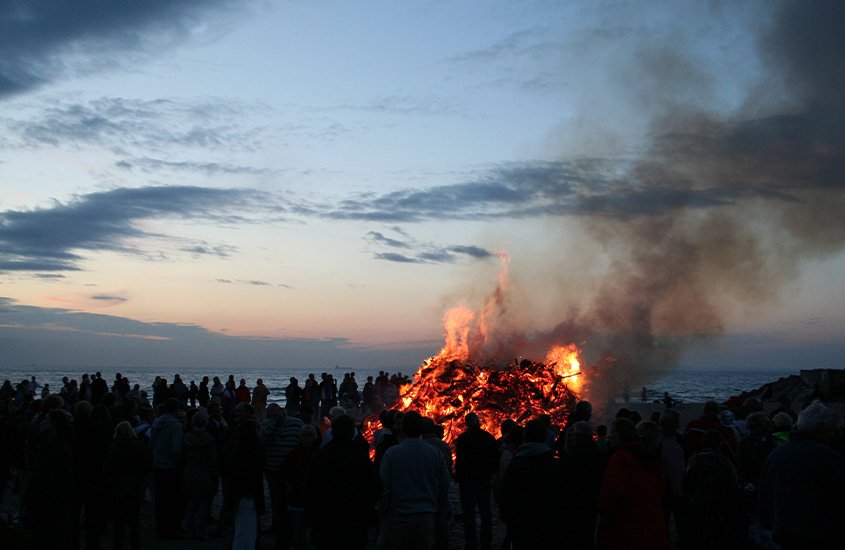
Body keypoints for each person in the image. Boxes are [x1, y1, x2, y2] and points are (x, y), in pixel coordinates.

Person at [758, 401, 845, 548]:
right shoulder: (827, 457)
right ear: (820, 428)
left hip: (785, 536)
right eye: (832, 430)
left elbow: (764, 496)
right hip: (822, 536)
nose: (833, 436)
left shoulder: (776, 454)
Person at [378, 410, 451, 550]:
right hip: (426, 516)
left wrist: (383, 513)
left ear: (403, 428)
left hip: (398, 516)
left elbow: (385, 487)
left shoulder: (392, 454)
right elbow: (444, 487)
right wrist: (441, 515)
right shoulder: (434, 453)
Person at [305, 414, 380, 550]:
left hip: (326, 519)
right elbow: (373, 489)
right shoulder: (361, 458)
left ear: (332, 432)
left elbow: (309, 488)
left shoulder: (319, 457)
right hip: (354, 520)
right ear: (352, 432)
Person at [595, 417, 669, 550]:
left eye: (613, 432)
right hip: (652, 522)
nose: (609, 436)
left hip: (628, 524)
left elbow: (613, 490)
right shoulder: (650, 458)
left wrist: (601, 507)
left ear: (621, 435)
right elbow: (661, 489)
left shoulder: (621, 458)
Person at [499, 419, 561, 549]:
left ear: (525, 438)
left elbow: (505, 497)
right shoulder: (556, 465)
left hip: (521, 528)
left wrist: (509, 521)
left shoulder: (516, 465)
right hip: (548, 527)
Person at [454, 412, 500, 550]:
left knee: (469, 513)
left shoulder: (462, 439)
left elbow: (460, 461)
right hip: (483, 479)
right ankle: (487, 541)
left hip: (467, 481)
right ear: (478, 423)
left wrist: (459, 477)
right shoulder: (488, 437)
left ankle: (471, 542)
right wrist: (491, 473)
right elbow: (495, 458)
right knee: (485, 512)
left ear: (467, 424)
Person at [102, 421, 151, 550]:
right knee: (135, 519)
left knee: (119, 521)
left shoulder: (113, 447)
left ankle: (118, 545)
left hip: (118, 487)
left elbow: (108, 467)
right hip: (135, 485)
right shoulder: (139, 446)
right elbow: (146, 465)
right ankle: (135, 544)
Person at [150, 398, 184, 540]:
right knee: (172, 498)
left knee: (160, 497)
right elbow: (176, 448)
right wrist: (179, 462)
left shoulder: (156, 423)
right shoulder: (175, 426)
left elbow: (152, 444)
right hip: (171, 465)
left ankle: (161, 525)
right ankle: (171, 527)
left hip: (157, 462)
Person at [181, 413, 219, 541]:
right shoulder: (208, 438)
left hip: (189, 471)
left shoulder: (186, 437)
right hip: (205, 472)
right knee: (204, 503)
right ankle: (200, 531)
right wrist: (215, 475)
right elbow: (213, 460)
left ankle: (190, 531)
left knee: (190, 503)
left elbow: (182, 455)